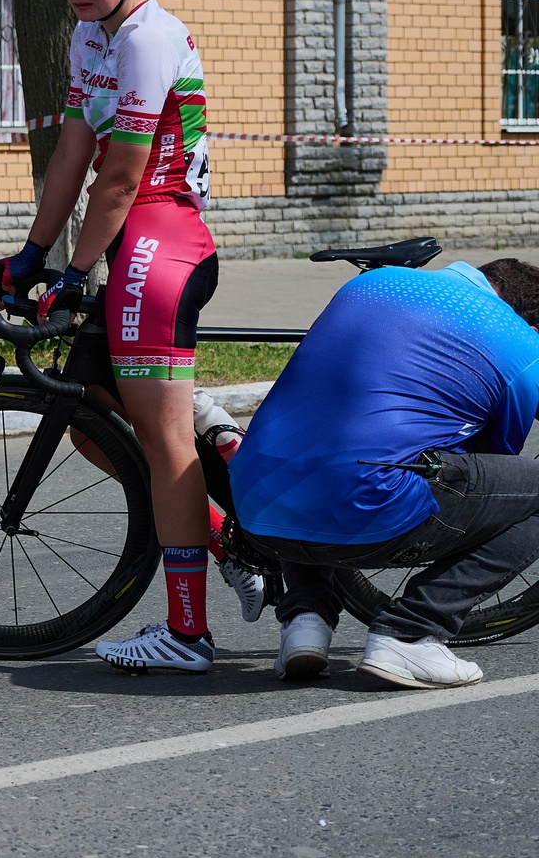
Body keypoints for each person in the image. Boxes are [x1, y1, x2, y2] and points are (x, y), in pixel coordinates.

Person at [0, 0, 235, 675]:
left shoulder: (147, 38)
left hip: (160, 233)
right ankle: (232, 525)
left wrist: (74, 271)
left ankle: (188, 632)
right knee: (93, 420)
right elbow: (73, 154)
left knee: (161, 439)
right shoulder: (93, 39)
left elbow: (123, 175)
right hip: (132, 238)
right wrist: (32, 253)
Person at [226, 257, 539, 688]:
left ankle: (305, 621)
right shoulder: (523, 343)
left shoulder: (373, 281)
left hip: (254, 507)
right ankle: (412, 631)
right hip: (368, 511)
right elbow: (494, 462)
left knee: (322, 449)